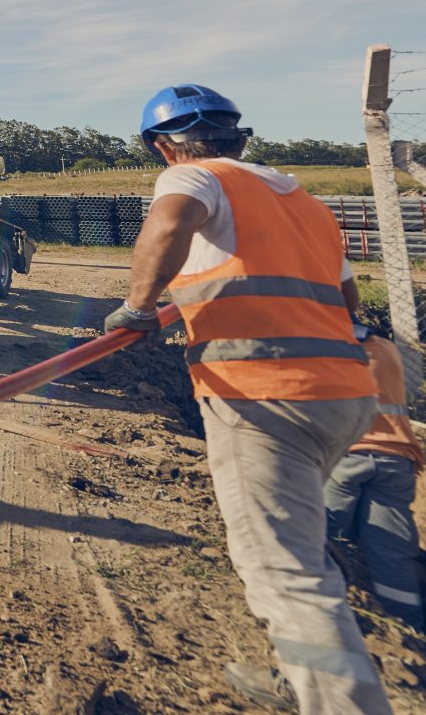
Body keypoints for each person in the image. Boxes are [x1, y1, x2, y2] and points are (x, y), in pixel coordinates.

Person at [103, 84, 388, 714]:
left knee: (285, 574)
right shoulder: (304, 202)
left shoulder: (196, 176)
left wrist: (138, 308)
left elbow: (169, 223)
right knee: (301, 545)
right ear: (241, 136)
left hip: (264, 399)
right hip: (346, 393)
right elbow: (347, 302)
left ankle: (342, 703)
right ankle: (304, 674)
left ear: (160, 147)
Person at [325, 322, 424, 631]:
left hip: (345, 456)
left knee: (326, 536)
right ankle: (409, 624)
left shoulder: (322, 345)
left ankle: (334, 612)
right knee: (391, 549)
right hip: (396, 459)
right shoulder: (385, 348)